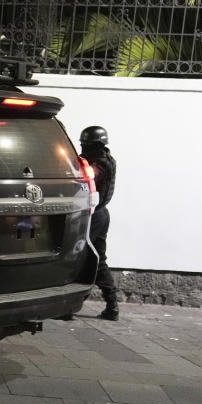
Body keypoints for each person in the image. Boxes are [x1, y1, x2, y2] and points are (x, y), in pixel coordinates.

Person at [80, 125, 118, 321]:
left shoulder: (99, 164)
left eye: (85, 144)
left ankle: (73, 303)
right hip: (100, 215)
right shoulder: (106, 159)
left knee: (81, 256)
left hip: (94, 216)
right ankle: (112, 305)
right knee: (97, 259)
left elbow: (87, 176)